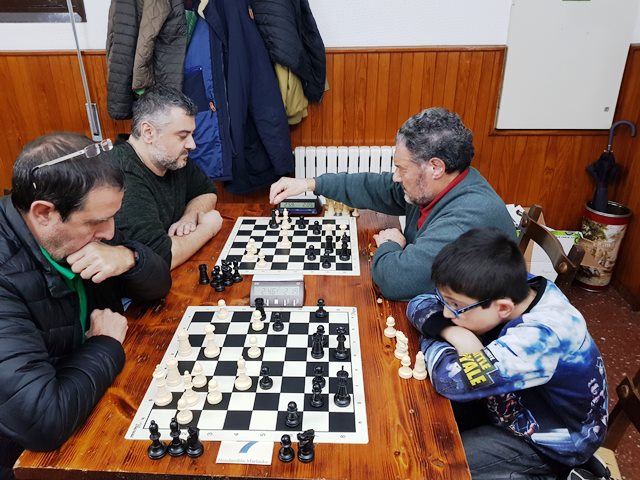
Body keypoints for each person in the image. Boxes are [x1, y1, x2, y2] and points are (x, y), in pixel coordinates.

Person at [0, 133, 171, 479]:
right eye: (96, 223)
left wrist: (129, 258)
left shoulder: (80, 230)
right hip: (25, 459)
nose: (109, 232)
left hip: (89, 396)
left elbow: (159, 286)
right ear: (44, 213)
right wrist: (105, 343)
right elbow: (42, 421)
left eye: (113, 217)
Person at [406, 228, 608, 479]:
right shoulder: (507, 287)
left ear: (503, 308)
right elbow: (418, 302)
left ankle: (557, 473)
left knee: (433, 463)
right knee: (417, 418)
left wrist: (435, 330)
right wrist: (453, 332)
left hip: (549, 443)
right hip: (508, 400)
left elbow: (450, 380)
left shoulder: (540, 338)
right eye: (445, 301)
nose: (447, 312)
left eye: (455, 306)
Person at [269, 107, 515, 300]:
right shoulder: (437, 186)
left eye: (401, 168)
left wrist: (390, 244)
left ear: (435, 167)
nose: (396, 176)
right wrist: (311, 183)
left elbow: (396, 281)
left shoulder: (467, 218)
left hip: (473, 334)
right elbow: (376, 187)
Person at [111, 85, 223, 270]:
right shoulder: (121, 176)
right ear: (148, 132)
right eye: (183, 136)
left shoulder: (171, 158)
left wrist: (189, 217)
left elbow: (206, 192)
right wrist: (207, 229)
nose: (192, 144)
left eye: (192, 135)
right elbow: (159, 258)